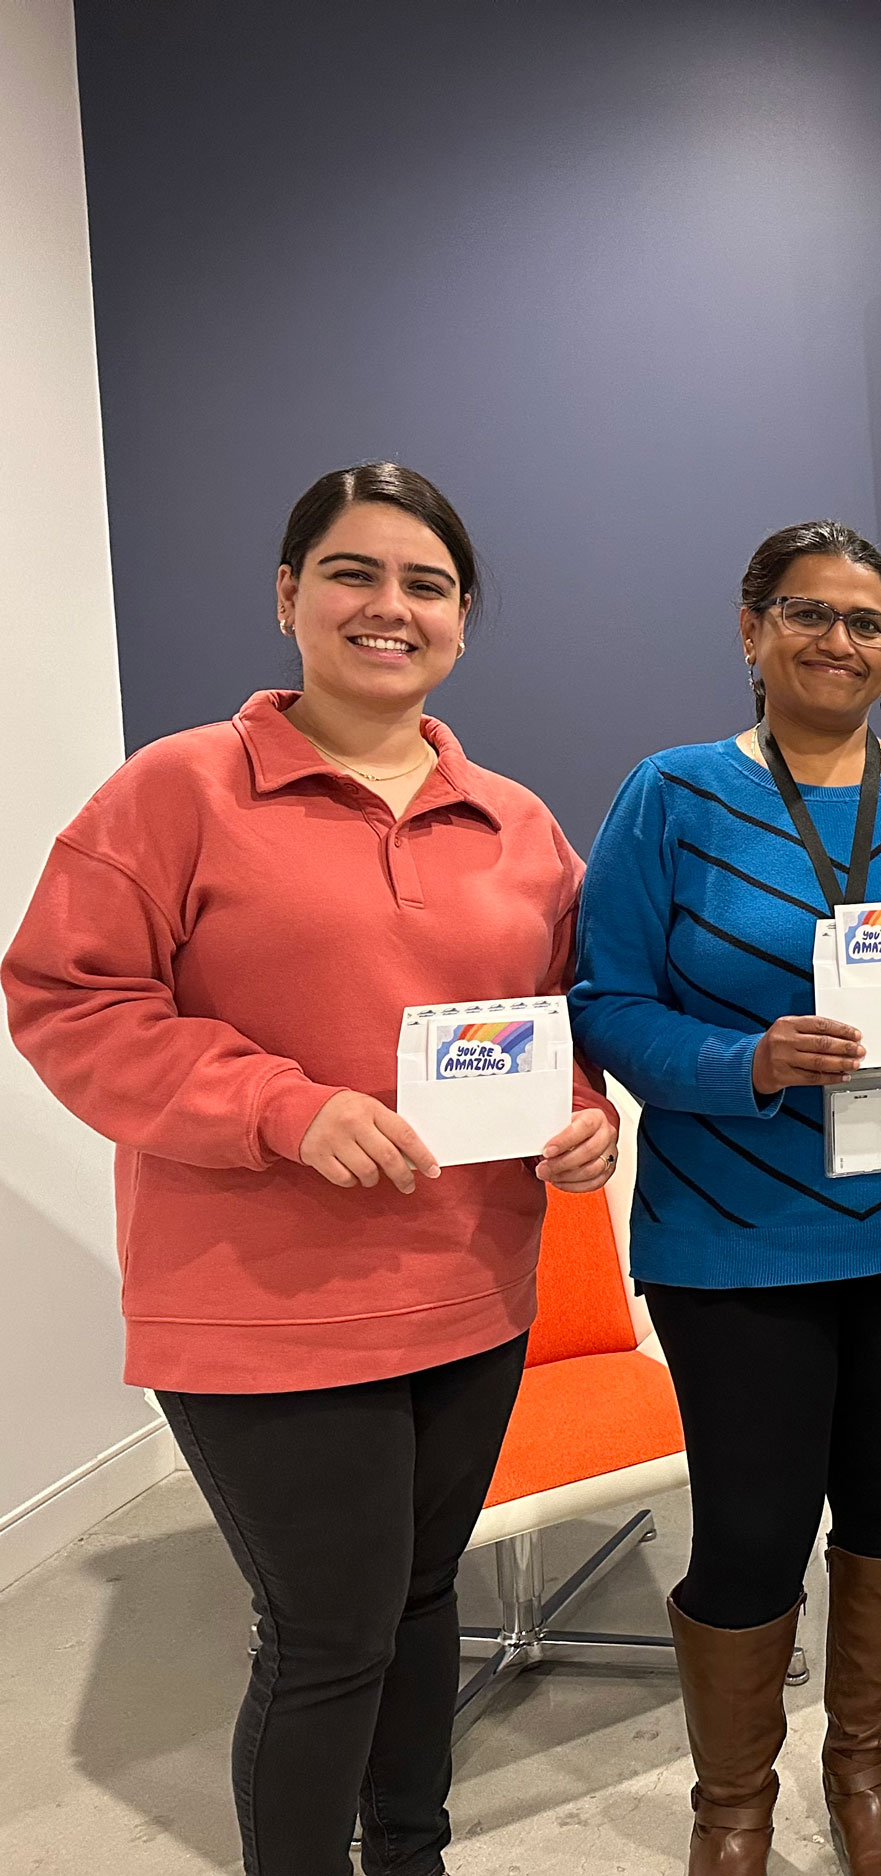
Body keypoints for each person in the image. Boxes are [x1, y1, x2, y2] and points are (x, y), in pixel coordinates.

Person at [3, 463, 619, 1876]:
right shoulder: (174, 791)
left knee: (421, 1600)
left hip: (471, 1289)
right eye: (353, 572)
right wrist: (281, 1107)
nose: (389, 606)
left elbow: (557, 1021)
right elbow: (68, 1002)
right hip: (260, 1307)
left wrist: (585, 1113)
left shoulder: (517, 824)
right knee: (330, 1634)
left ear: (461, 618)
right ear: (289, 594)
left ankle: (410, 1854)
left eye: (426, 585)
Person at [569, 519, 881, 1876]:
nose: (839, 640)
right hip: (734, 1235)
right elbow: (606, 1000)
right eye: (806, 612)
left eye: (866, 621)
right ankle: (733, 1807)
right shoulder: (672, 795)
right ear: (751, 630)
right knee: (752, 1530)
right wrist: (748, 1062)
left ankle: (865, 1775)